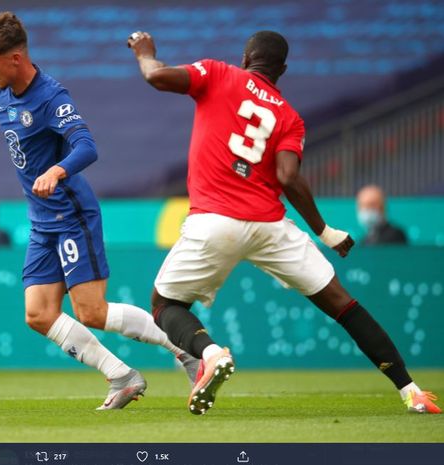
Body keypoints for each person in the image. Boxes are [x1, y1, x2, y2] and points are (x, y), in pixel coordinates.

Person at [0, 12, 199, 410]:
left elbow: (87, 146)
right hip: (42, 222)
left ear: (16, 58)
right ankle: (121, 376)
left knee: (92, 312)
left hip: (72, 216)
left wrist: (57, 168)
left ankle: (184, 349)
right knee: (37, 314)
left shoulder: (52, 97)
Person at [127, 30, 440, 415]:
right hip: (270, 226)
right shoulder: (290, 118)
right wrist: (325, 231)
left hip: (215, 220)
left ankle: (210, 353)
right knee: (344, 305)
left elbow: (156, 77)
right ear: (283, 70)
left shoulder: (218, 73)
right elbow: (289, 177)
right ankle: (410, 391)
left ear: (245, 58)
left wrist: (146, 52)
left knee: (164, 305)